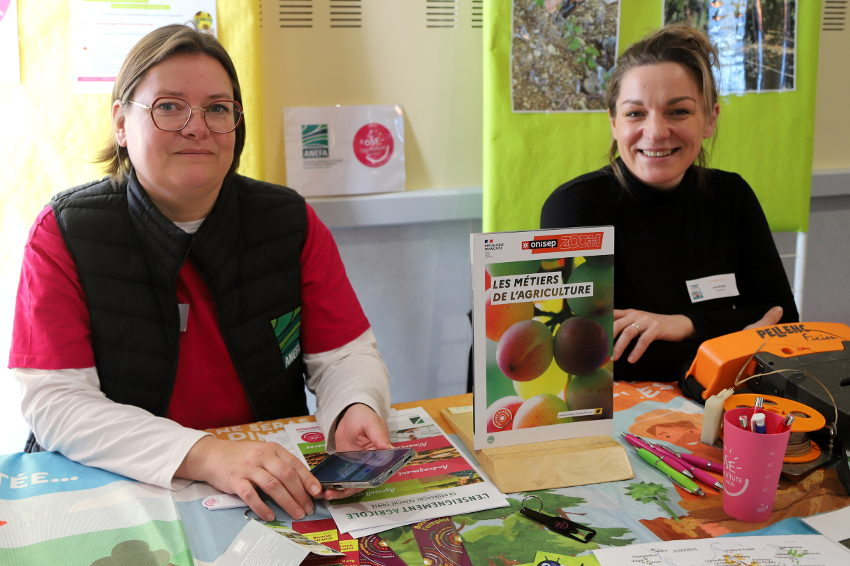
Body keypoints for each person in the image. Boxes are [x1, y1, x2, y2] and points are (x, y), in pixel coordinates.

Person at [9, 24, 392, 522]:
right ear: (121, 123)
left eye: (217, 108)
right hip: (120, 489)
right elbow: (56, 403)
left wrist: (353, 407)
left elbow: (344, 355)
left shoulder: (289, 221)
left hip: (261, 489)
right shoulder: (64, 231)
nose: (197, 127)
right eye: (168, 106)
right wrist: (207, 455)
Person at [541, 24, 798, 384]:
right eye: (635, 113)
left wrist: (682, 325)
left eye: (678, 112)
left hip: (718, 400)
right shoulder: (575, 207)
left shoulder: (731, 195)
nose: (657, 131)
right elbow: (580, 349)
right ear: (614, 123)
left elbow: (783, 322)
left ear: (710, 119)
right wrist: (734, 335)